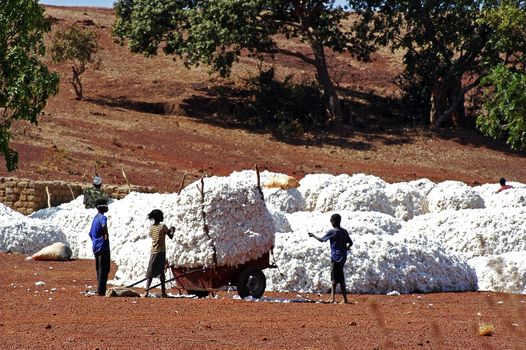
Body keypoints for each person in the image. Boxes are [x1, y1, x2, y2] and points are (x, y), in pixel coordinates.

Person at [308, 213, 353, 304]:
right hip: (343, 257)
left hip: (335, 257)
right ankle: (335, 298)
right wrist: (346, 248)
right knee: (338, 277)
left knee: (336, 278)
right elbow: (350, 243)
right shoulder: (344, 231)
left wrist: (313, 235)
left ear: (334, 222)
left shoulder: (332, 232)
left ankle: (341, 299)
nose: (331, 223)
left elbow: (322, 240)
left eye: (331, 221)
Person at [143, 209, 175, 298]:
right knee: (161, 273)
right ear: (159, 217)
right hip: (161, 252)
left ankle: (146, 291)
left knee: (150, 272)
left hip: (153, 252)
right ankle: (163, 293)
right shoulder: (163, 226)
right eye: (161, 216)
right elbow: (171, 236)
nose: (163, 217)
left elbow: (155, 236)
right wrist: (172, 230)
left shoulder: (151, 228)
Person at [88, 198, 111, 296]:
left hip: (96, 247)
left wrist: (95, 241)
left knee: (99, 268)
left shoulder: (94, 218)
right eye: (105, 205)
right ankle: (101, 291)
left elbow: (90, 233)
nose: (107, 207)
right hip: (103, 247)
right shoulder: (103, 217)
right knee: (105, 268)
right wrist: (105, 233)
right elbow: (103, 224)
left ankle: (100, 289)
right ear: (101, 207)